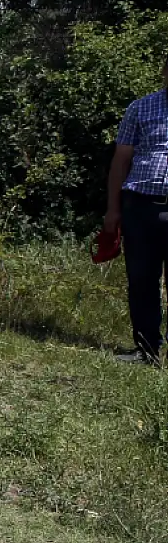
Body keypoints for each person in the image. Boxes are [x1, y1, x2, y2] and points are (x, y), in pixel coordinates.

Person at [105, 56, 168, 365]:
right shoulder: (140, 108)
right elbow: (120, 161)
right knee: (142, 279)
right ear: (164, 71)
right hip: (140, 205)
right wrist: (112, 211)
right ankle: (147, 350)